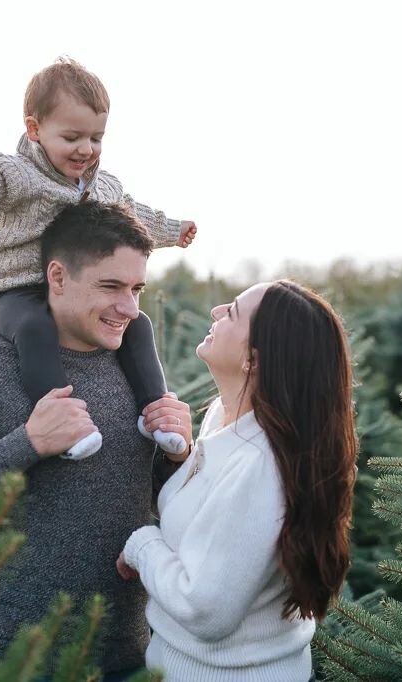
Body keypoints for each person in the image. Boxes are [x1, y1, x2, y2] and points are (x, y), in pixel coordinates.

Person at [0, 201, 193, 679]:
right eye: (111, 286)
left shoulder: (135, 367)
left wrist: (180, 456)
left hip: (132, 655)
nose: (130, 308)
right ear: (57, 277)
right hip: (15, 659)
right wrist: (29, 442)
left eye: (137, 288)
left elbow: (166, 505)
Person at [0, 56, 197, 461]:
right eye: (72, 138)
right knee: (34, 328)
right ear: (34, 129)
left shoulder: (103, 187)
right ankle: (62, 422)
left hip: (68, 294)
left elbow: (135, 219)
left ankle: (157, 415)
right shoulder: (16, 175)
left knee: (139, 323)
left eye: (96, 138)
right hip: (13, 294)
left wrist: (173, 230)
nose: (86, 149)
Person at [118, 280, 359, 681]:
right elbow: (211, 519)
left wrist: (142, 545)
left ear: (254, 359)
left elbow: (206, 610)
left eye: (231, 313)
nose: (215, 312)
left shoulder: (260, 464)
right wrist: (181, 456)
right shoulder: (224, 419)